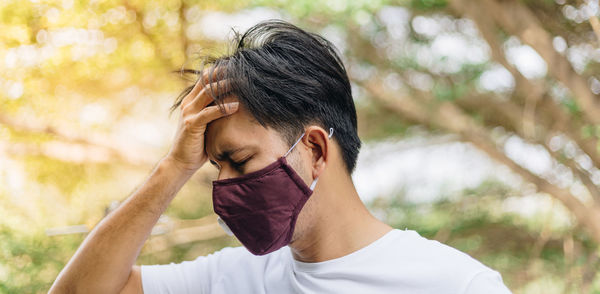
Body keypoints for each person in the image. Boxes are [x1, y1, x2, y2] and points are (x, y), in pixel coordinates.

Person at [49, 20, 512, 294]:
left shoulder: (455, 285)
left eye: (240, 160)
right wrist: (173, 168)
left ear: (314, 149)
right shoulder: (231, 277)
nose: (224, 186)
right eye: (215, 167)